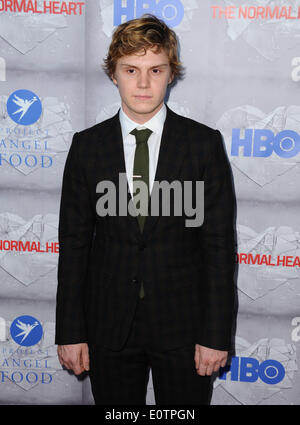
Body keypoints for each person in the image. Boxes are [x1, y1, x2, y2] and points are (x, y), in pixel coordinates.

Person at [55, 13, 236, 405]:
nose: (142, 83)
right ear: (113, 74)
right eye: (130, 69)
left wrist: (215, 334)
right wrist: (70, 330)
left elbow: (218, 248)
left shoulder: (203, 145)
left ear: (171, 74)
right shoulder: (87, 148)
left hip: (184, 328)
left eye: (155, 69)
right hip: (108, 327)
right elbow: (73, 247)